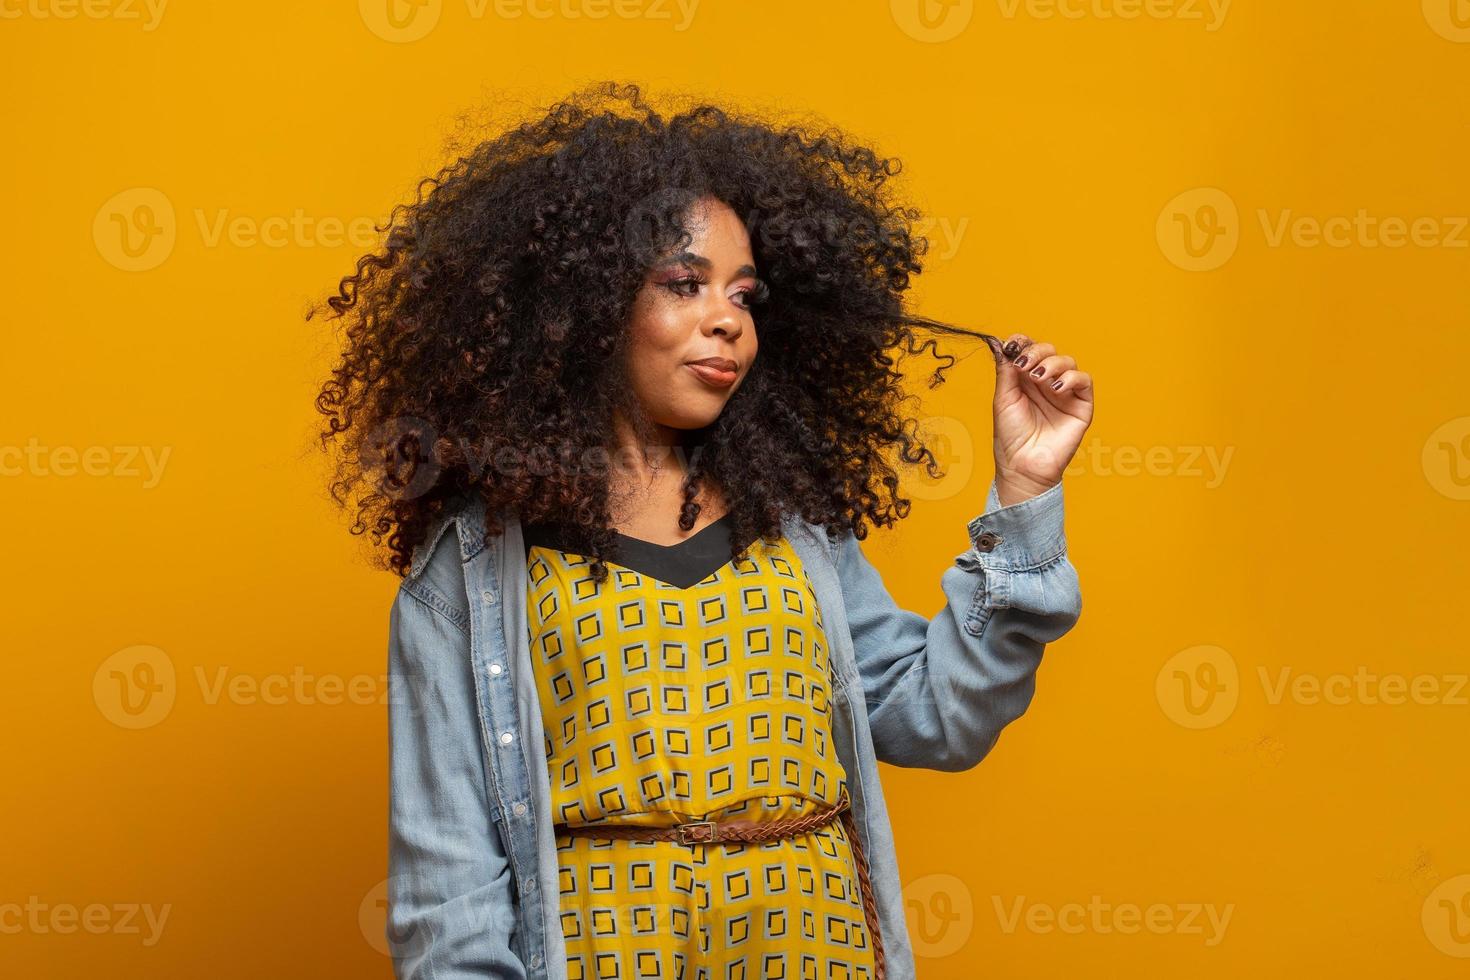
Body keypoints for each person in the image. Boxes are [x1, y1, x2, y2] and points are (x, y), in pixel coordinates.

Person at [311, 81, 1090, 980]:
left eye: (746, 295)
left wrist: (1023, 493)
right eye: (684, 284)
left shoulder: (796, 529)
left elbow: (938, 719)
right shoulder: (475, 570)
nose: (728, 318)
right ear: (584, 305)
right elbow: (448, 894)